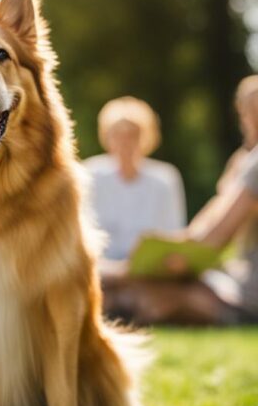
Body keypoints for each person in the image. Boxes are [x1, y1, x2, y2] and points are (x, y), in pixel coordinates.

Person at [104, 77, 258, 324]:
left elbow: (215, 236)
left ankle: (118, 298)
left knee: (158, 296)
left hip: (248, 294)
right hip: (236, 279)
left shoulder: (254, 163)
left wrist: (164, 259)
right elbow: (214, 215)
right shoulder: (246, 162)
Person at [84, 96, 186, 264]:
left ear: (146, 137)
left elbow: (174, 233)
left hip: (150, 270)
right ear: (107, 137)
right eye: (118, 135)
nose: (125, 142)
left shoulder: (165, 178)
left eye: (132, 135)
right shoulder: (90, 174)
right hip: (103, 270)